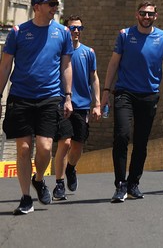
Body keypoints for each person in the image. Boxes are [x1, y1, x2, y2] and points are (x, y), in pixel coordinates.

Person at [0, 0, 73, 215]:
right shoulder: (18, 32)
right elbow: (5, 66)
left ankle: (39, 178)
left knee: (45, 147)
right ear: (37, 6)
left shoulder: (62, 33)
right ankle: (25, 198)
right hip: (21, 97)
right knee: (23, 149)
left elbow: (66, 66)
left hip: (49, 97)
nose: (55, 8)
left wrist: (68, 96)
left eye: (56, 4)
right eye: (51, 4)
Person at [101, 1, 163, 203]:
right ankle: (120, 184)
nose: (146, 17)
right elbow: (114, 62)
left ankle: (133, 183)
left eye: (150, 14)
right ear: (137, 15)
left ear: (155, 16)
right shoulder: (125, 35)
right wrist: (106, 91)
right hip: (125, 92)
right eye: (143, 13)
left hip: (149, 94)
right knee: (122, 135)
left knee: (141, 142)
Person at [52, 15, 101, 201]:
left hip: (81, 105)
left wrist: (97, 103)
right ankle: (59, 183)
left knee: (77, 146)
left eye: (80, 28)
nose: (77, 32)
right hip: (61, 103)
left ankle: (71, 168)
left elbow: (94, 77)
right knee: (64, 142)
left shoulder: (88, 52)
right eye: (73, 28)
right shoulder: (58, 53)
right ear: (66, 30)